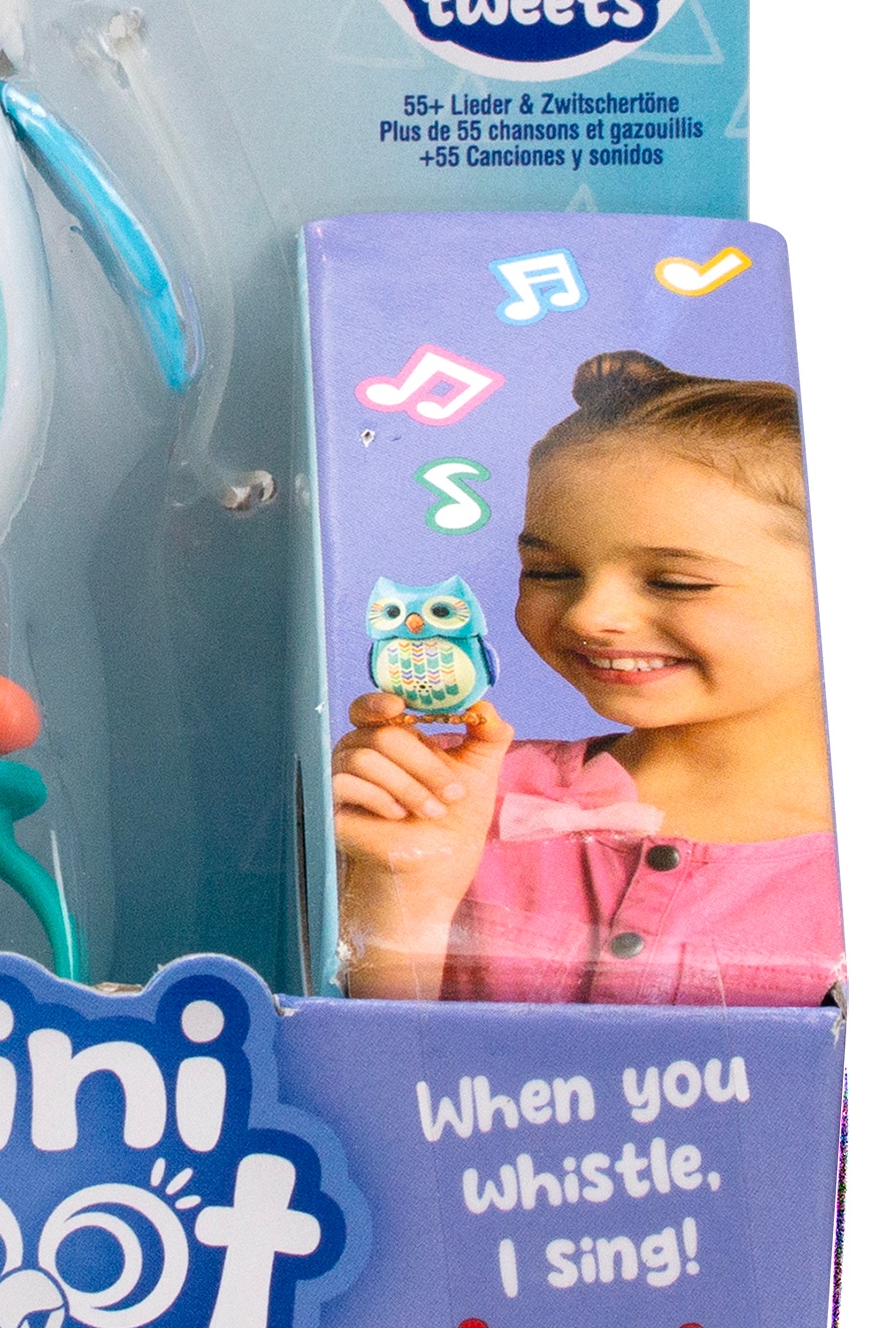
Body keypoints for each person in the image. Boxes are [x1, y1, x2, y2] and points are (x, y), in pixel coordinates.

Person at [332, 350, 841, 1005]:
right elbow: (371, 1062)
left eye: (675, 581)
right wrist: (398, 897)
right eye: (550, 572)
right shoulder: (451, 794)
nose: (588, 615)